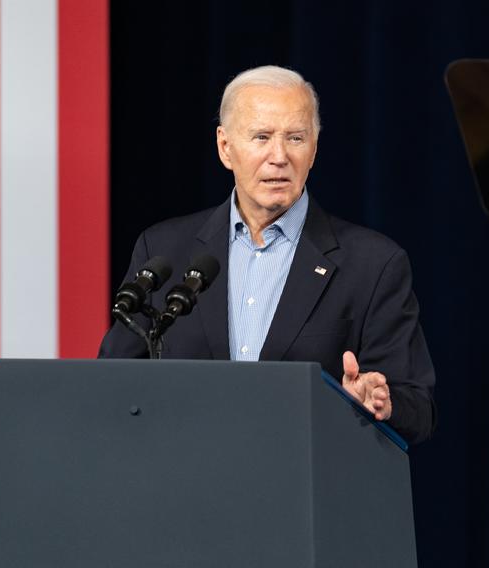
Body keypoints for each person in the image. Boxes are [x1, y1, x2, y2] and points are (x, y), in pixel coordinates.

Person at [99, 65, 436, 444]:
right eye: (261, 137)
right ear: (225, 148)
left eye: (295, 138)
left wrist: (378, 402)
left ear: (314, 150)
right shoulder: (163, 250)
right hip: (184, 486)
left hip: (304, 489)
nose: (279, 156)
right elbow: (111, 386)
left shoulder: (373, 264)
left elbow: (417, 406)